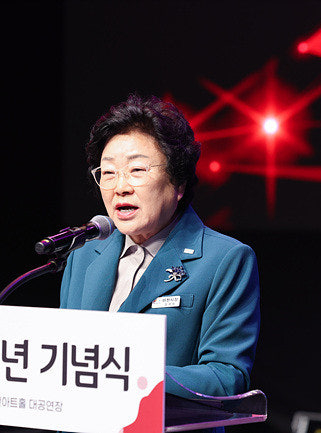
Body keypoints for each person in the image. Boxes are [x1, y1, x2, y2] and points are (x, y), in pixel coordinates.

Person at [59, 93, 260, 401]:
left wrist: (128, 377)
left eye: (137, 170)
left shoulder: (225, 259)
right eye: (108, 173)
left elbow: (225, 377)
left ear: (178, 183)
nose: (120, 187)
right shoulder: (84, 254)